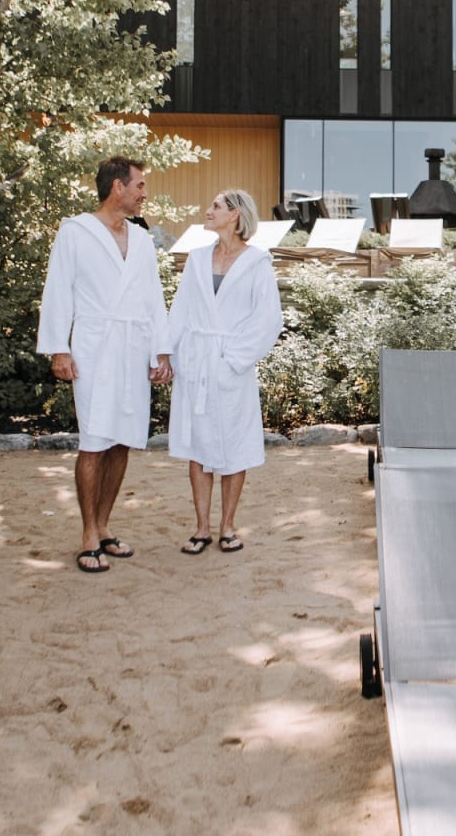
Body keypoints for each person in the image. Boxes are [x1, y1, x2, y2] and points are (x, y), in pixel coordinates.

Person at [37, 157, 173, 573]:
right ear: (118, 187)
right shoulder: (75, 232)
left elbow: (153, 297)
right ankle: (86, 535)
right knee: (94, 440)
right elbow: (58, 289)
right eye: (140, 185)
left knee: (123, 440)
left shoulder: (142, 239)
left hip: (134, 347)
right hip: (95, 345)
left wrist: (161, 351)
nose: (144, 193)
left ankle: (105, 526)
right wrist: (59, 348)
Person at [168, 189, 283, 554]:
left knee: (234, 445)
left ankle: (227, 526)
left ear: (234, 215)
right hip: (196, 363)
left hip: (232, 366)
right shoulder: (197, 259)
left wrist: (233, 359)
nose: (208, 211)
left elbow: (268, 320)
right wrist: (169, 355)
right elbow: (181, 311)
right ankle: (201, 528)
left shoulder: (257, 263)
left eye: (215, 206)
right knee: (198, 447)